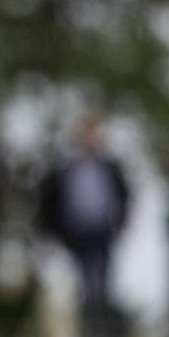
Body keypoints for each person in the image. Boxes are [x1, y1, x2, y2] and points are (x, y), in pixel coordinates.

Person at [38, 116, 130, 317]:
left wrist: (120, 223)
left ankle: (97, 331)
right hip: (72, 237)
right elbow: (50, 201)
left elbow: (124, 197)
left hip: (101, 234)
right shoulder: (66, 169)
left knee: (99, 286)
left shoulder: (110, 168)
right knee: (74, 286)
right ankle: (79, 327)